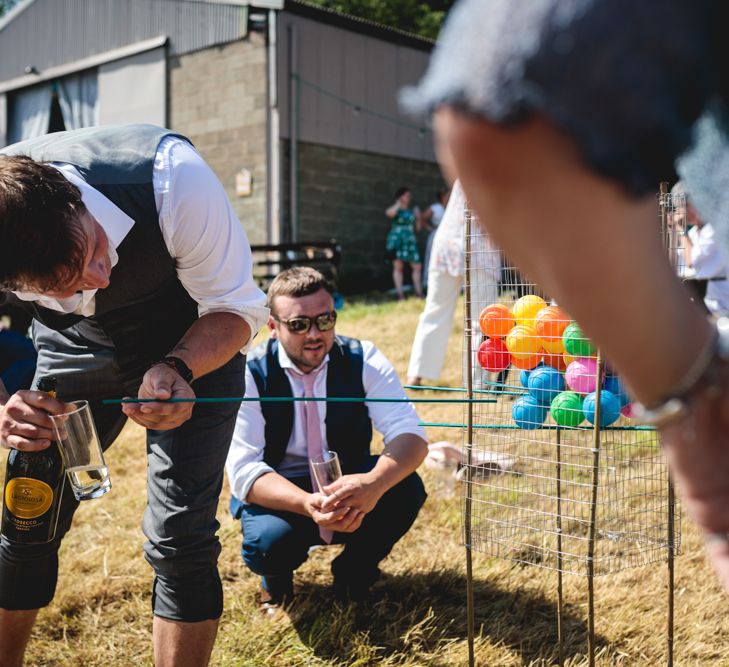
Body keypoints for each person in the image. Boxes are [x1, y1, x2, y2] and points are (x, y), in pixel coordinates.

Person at [402, 0, 729, 592]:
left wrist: (686, 391)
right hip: (473, 262)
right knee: (473, 321)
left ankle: (467, 379)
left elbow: (499, 92)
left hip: (477, 261)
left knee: (465, 319)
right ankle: (470, 378)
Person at [0, 124, 269, 667]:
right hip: (72, 354)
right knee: (26, 516)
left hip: (193, 339)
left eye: (96, 248)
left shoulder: (175, 180)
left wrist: (179, 367)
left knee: (179, 535)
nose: (99, 279)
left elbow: (237, 308)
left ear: (72, 195)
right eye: (67, 284)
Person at [225, 267, 428, 613]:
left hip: (351, 481)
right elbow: (243, 471)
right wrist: (306, 504)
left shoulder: (363, 358)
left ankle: (355, 571)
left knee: (406, 489)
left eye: (325, 320)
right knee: (268, 543)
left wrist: (373, 483)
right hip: (284, 489)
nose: (315, 333)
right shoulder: (249, 374)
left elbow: (411, 436)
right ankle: (275, 584)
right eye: (299, 324)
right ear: (273, 328)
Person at [406, 180, 500, 386]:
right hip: (478, 249)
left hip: (449, 244)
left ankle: (417, 374)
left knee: (436, 312)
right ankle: (477, 382)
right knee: (481, 321)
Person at [673, 182, 729, 314]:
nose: (684, 213)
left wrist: (681, 230)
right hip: (711, 308)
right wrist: (671, 230)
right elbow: (677, 263)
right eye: (680, 208)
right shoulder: (694, 233)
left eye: (687, 205)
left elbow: (692, 261)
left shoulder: (715, 230)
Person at [385, 187, 424, 299]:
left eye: (409, 196)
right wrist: (398, 203)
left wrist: (418, 218)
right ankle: (400, 295)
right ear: (400, 196)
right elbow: (389, 213)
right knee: (398, 266)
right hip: (397, 240)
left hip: (410, 240)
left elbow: (418, 229)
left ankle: (419, 293)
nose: (408, 198)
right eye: (406, 195)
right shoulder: (396, 209)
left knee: (417, 266)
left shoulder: (412, 211)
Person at [421, 188, 450, 290]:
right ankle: (428, 283)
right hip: (436, 235)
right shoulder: (435, 208)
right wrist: (430, 228)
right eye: (447, 195)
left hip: (448, 237)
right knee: (432, 257)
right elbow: (422, 218)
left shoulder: (450, 208)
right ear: (442, 196)